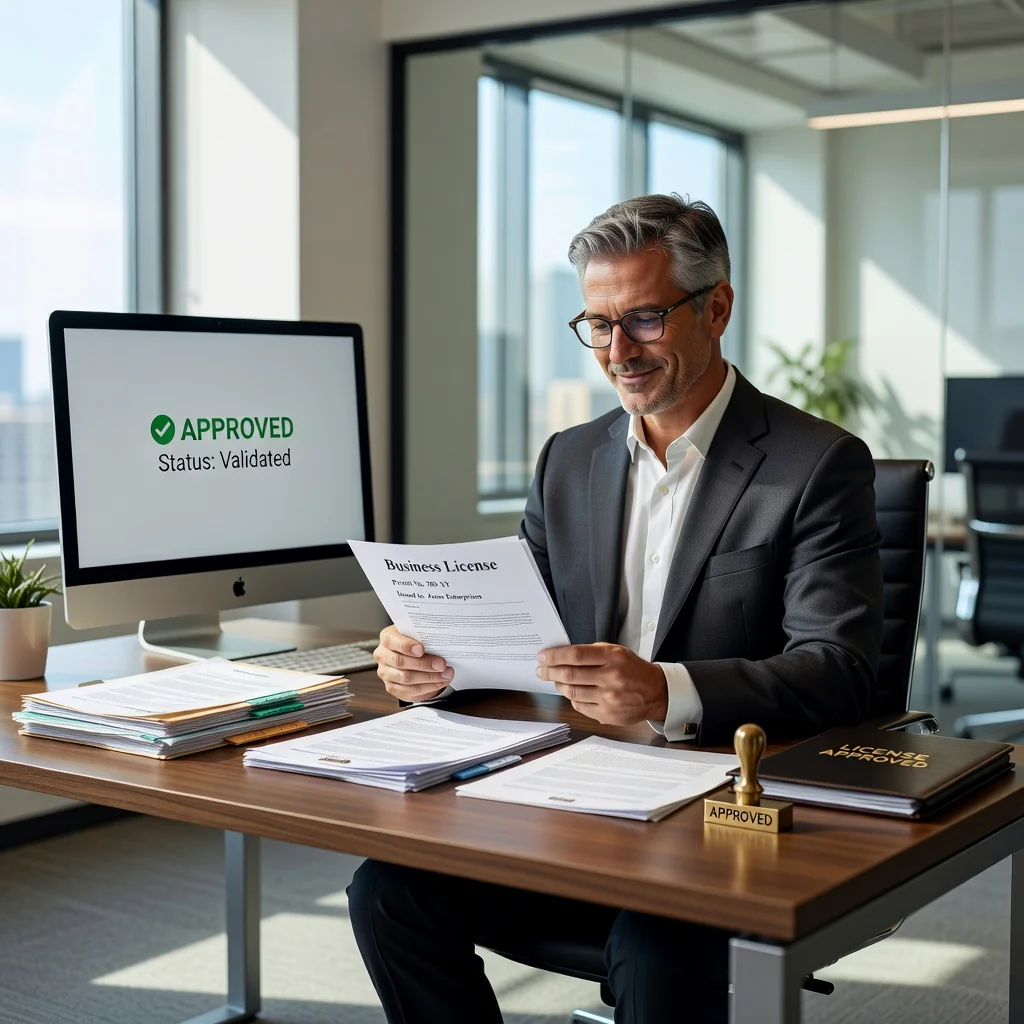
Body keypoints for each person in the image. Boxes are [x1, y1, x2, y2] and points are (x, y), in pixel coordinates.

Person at [348, 194, 884, 1024]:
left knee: (655, 951)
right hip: (578, 793)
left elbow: (840, 671)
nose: (617, 351)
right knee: (388, 891)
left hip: (722, 815)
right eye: (596, 324)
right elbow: (517, 622)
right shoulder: (570, 457)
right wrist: (430, 663)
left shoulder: (816, 465)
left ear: (716, 307)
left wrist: (668, 690)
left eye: (642, 319)